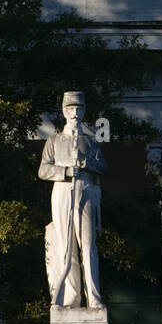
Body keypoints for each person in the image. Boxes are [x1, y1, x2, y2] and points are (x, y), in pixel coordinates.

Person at [38, 91, 107, 307]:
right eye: (71, 109)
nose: (75, 113)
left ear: (84, 111)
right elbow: (43, 170)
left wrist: (87, 165)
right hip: (62, 192)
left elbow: (104, 167)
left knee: (87, 245)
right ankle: (72, 296)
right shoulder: (54, 141)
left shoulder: (91, 141)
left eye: (79, 109)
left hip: (85, 190)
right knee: (66, 247)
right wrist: (66, 171)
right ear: (64, 111)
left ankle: (94, 298)